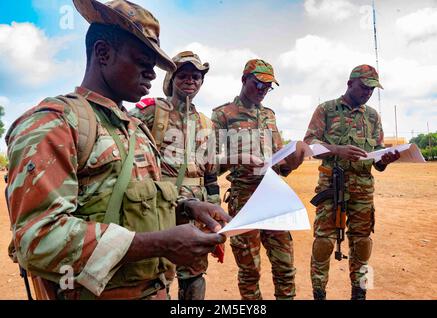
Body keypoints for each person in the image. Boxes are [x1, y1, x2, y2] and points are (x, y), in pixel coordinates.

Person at [5, 0, 229, 300]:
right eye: (142, 62)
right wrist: (158, 244)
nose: (151, 75)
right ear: (103, 53)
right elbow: (38, 239)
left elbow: (137, 200)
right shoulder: (55, 123)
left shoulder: (134, 127)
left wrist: (187, 207)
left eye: (153, 66)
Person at [130, 51, 221, 300]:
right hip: (161, 209)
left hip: (198, 213)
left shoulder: (206, 123)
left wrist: (215, 212)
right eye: (183, 75)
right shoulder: (153, 112)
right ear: (171, 78)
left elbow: (211, 176)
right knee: (159, 275)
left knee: (194, 274)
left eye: (196, 76)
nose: (190, 80)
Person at [304, 64, 400, 300]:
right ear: (349, 84)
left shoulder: (372, 116)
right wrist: (337, 149)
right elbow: (309, 145)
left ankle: (360, 293)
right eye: (364, 87)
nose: (368, 93)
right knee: (323, 243)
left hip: (363, 190)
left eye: (372, 89)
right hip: (331, 186)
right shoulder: (326, 109)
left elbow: (376, 157)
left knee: (363, 244)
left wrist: (385, 159)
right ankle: (319, 294)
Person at [211, 59, 305, 300]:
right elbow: (209, 162)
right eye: (258, 84)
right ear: (244, 80)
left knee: (285, 266)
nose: (263, 91)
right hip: (244, 201)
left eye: (268, 87)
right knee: (250, 270)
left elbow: (279, 160)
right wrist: (236, 158)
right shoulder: (223, 115)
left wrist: (292, 162)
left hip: (274, 197)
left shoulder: (269, 116)